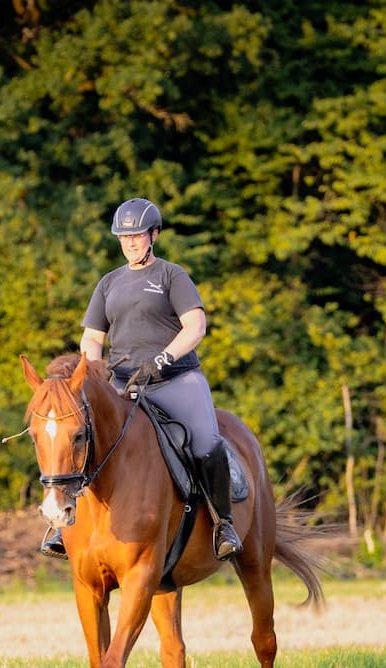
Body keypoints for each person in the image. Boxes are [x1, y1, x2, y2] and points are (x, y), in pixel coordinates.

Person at [40, 197, 244, 562]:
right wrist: (94, 372)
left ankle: (222, 523)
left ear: (154, 235)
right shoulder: (109, 283)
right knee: (78, 437)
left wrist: (162, 359)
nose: (131, 242)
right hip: (122, 381)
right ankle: (62, 525)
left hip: (175, 379)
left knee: (204, 440)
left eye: (137, 235)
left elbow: (195, 325)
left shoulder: (171, 275)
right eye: (124, 236)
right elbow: (92, 336)